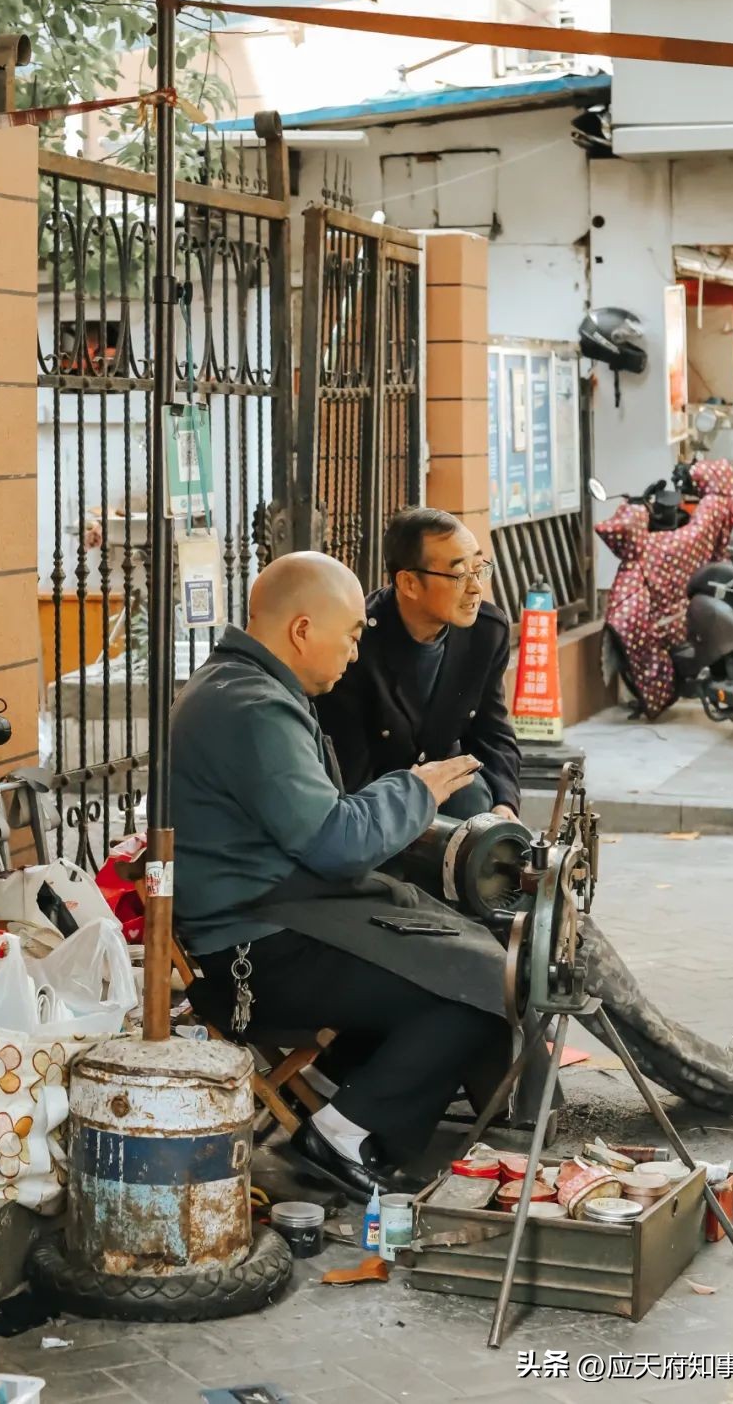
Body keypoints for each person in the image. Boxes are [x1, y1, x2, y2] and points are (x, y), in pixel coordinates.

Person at [171, 550, 510, 1197]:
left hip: (272, 921)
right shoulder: (252, 707)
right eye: (352, 634)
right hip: (257, 950)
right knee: (487, 984)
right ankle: (345, 1131)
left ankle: (343, 1093)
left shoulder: (243, 686)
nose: (356, 652)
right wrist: (416, 790)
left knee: (460, 946)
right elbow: (334, 841)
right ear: (302, 629)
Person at [315, 507, 520, 819]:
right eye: (459, 574)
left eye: (479, 569)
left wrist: (505, 804)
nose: (476, 587)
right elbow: (350, 774)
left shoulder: (486, 632)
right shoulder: (357, 645)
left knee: (474, 798)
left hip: (450, 794)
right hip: (377, 806)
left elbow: (492, 732)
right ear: (409, 583)